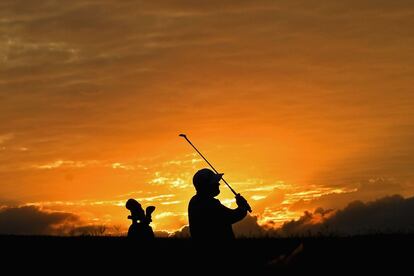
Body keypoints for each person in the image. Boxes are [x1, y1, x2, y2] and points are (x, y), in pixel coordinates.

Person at [188, 168, 250, 241]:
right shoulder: (209, 203)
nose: (218, 183)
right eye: (214, 182)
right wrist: (242, 207)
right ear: (206, 186)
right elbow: (231, 217)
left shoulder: (195, 201)